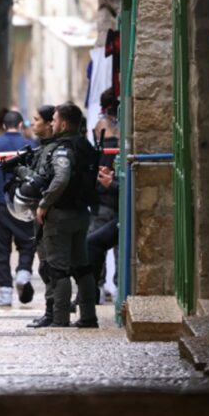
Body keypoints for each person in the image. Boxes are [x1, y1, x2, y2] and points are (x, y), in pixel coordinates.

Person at [35, 103, 99, 328]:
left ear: (63, 123)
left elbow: (61, 177)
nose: (51, 123)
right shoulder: (85, 146)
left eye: (53, 119)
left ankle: (60, 318)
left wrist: (44, 204)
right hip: (81, 214)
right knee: (82, 266)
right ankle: (88, 316)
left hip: (61, 215)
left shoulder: (62, 148)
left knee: (58, 269)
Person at [17, 104, 61, 328]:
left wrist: (20, 171)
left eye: (36, 120)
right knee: (48, 265)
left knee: (51, 266)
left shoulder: (52, 149)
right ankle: (52, 311)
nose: (32, 124)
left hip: (50, 214)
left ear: (47, 123)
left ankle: (54, 313)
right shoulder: (43, 148)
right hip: (44, 214)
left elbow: (40, 181)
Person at [0, 110, 36, 306]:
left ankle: (5, 293)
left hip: (0, 205)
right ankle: (23, 274)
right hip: (24, 205)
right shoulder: (32, 146)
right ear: (21, 126)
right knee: (27, 244)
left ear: (3, 126)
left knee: (0, 249)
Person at [87, 88, 120, 301]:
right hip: (117, 197)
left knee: (95, 245)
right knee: (119, 248)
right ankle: (119, 289)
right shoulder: (121, 132)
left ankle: (96, 289)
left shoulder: (98, 130)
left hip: (101, 200)